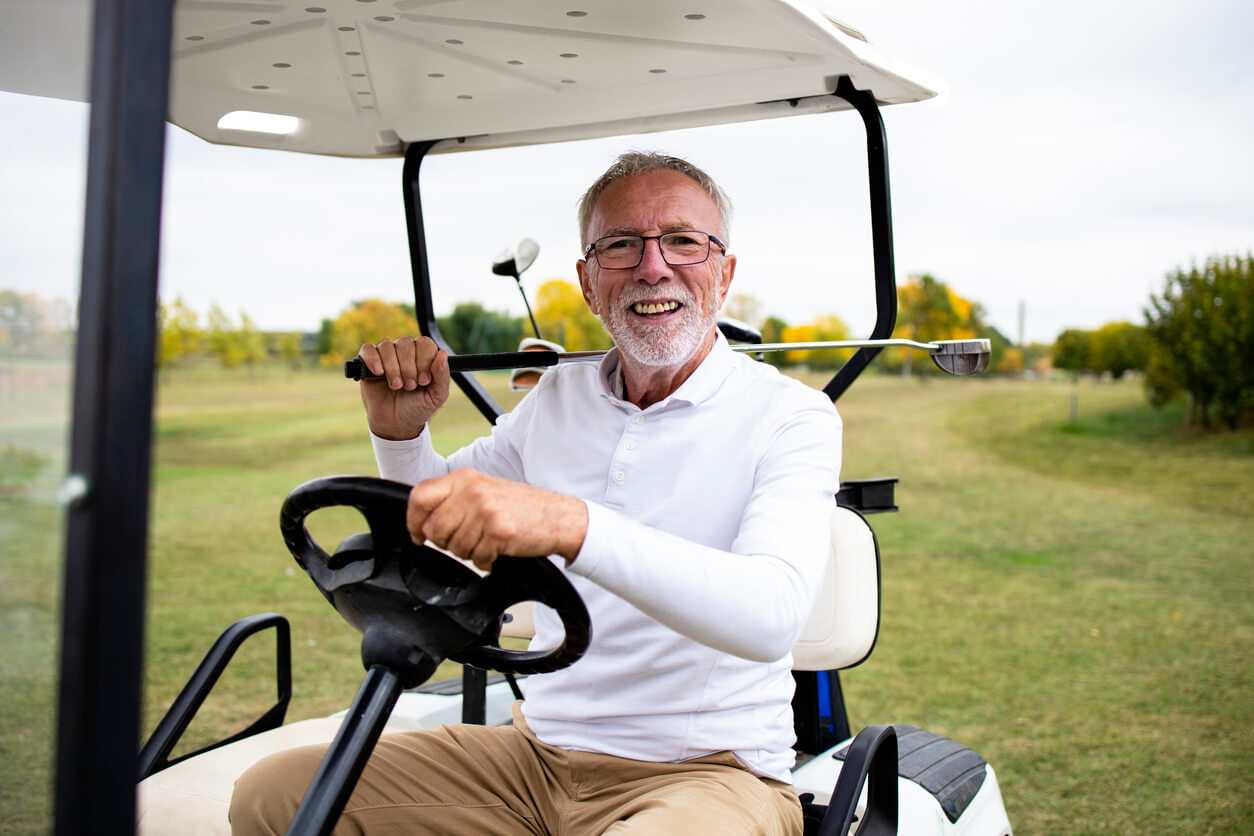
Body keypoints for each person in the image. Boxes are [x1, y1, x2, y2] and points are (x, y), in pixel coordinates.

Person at [230, 151, 842, 835]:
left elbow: (772, 615)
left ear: (724, 272)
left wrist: (572, 525)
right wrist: (400, 438)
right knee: (273, 795)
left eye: (682, 240)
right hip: (535, 759)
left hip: (706, 774)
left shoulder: (791, 416)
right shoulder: (559, 398)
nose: (652, 266)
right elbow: (435, 524)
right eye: (621, 245)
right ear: (587, 281)